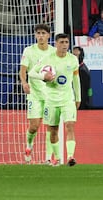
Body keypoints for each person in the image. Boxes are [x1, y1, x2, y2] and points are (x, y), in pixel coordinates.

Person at [28, 33, 81, 167]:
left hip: (68, 98)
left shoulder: (73, 60)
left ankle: (70, 157)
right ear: (56, 44)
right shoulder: (48, 58)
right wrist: (43, 76)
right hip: (51, 99)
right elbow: (32, 73)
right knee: (53, 131)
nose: (64, 45)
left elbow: (76, 79)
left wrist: (78, 97)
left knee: (70, 126)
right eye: (62, 42)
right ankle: (57, 158)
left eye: (66, 42)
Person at [19, 24, 56, 164]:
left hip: (50, 94)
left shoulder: (53, 52)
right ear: (35, 35)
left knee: (50, 125)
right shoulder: (29, 51)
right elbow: (23, 70)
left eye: (43, 33)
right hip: (34, 94)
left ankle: (48, 157)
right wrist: (24, 82)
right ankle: (29, 146)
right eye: (38, 33)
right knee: (34, 126)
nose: (41, 36)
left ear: (48, 35)